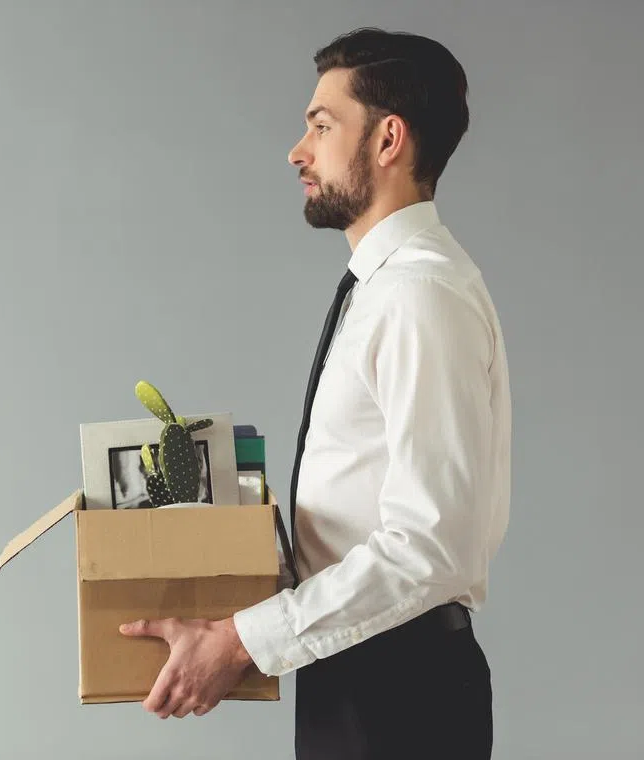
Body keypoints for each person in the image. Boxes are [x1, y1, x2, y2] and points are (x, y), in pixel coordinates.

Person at [119, 26, 510, 759]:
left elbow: (433, 545)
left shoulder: (420, 294)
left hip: (401, 690)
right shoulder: (385, 289)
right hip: (362, 674)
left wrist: (242, 641)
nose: (298, 151)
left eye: (322, 126)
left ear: (388, 139)